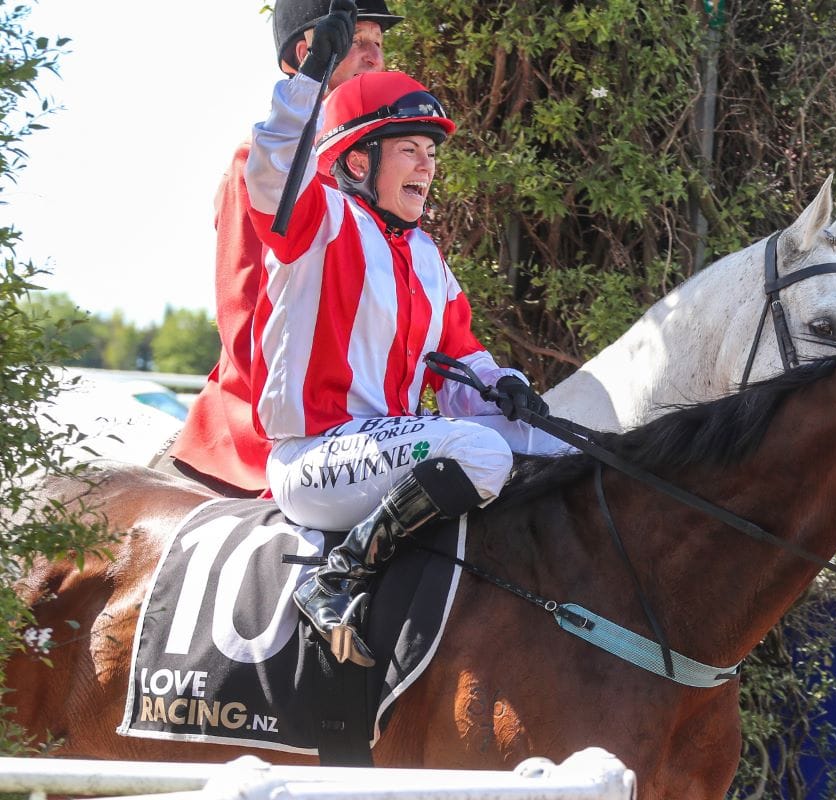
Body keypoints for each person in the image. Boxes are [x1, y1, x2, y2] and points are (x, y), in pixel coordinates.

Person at [245, 1, 561, 668]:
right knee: (481, 454)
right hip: (312, 459)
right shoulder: (323, 221)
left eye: (431, 153)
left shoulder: (426, 257)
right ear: (360, 162)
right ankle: (338, 578)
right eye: (410, 151)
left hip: (382, 451)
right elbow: (272, 176)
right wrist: (310, 79)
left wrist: (509, 389)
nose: (427, 166)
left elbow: (462, 366)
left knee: (554, 443)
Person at [162, 0, 402, 497]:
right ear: (306, 52)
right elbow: (244, 311)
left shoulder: (382, 168)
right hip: (261, 434)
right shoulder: (255, 163)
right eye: (359, 42)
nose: (375, 56)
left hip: (360, 422)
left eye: (379, 44)